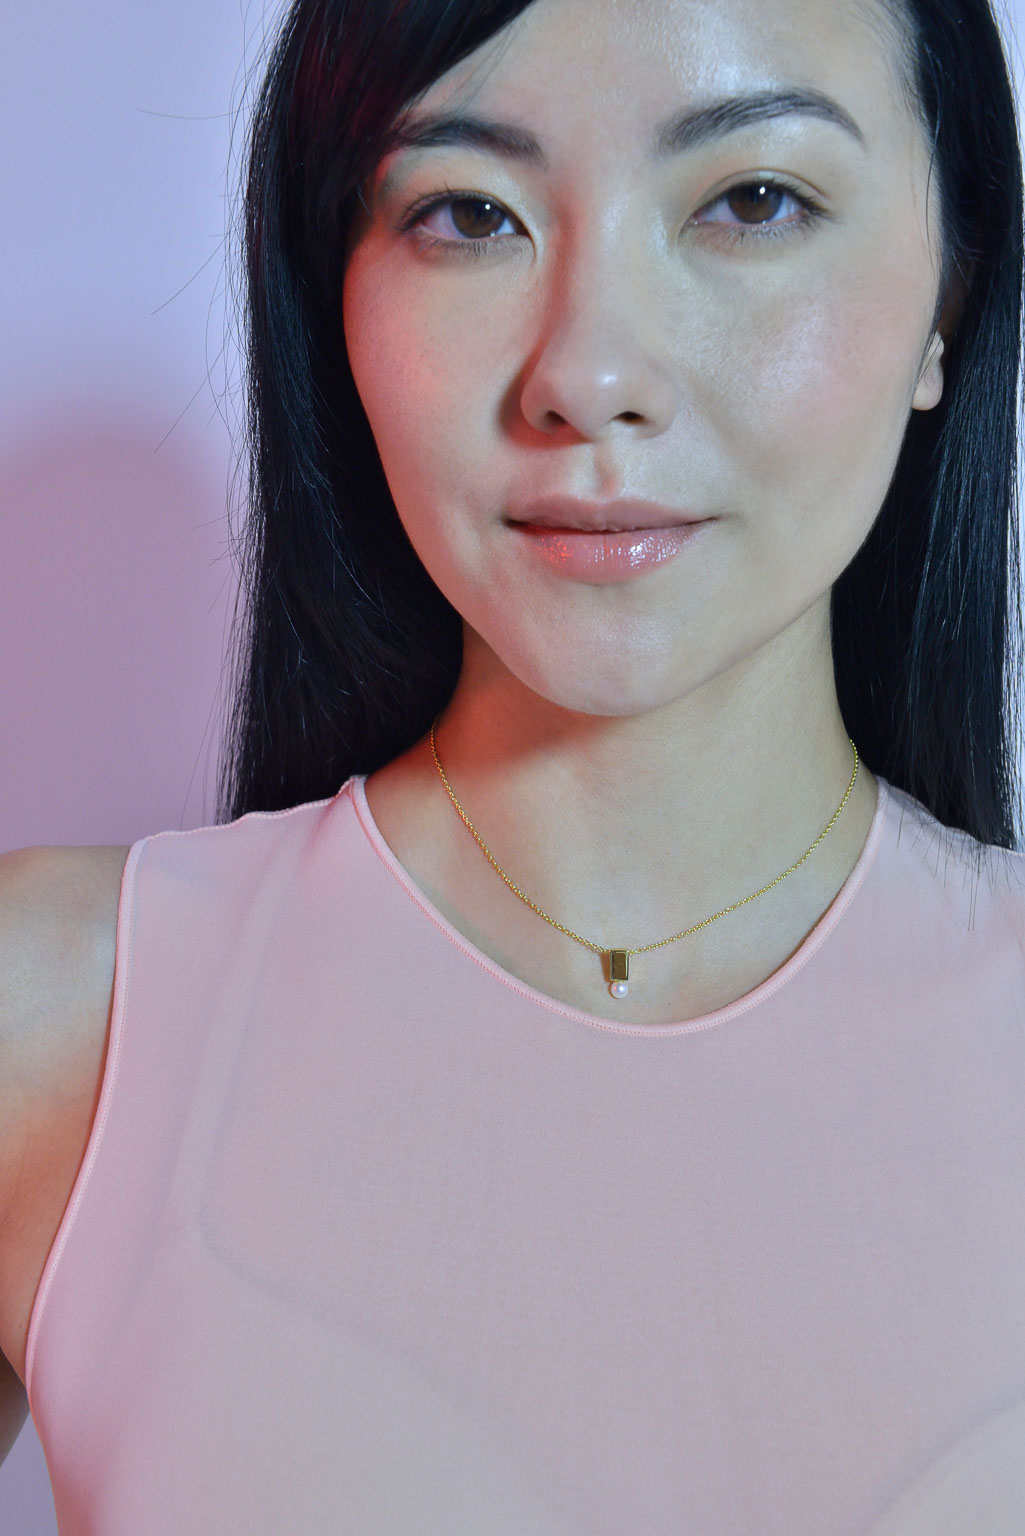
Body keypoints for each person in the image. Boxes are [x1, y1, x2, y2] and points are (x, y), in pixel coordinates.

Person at [1, 0, 1024, 1528]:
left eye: (752, 200)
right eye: (468, 214)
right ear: (334, 296)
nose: (589, 373)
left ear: (949, 287)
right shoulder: (57, 1021)